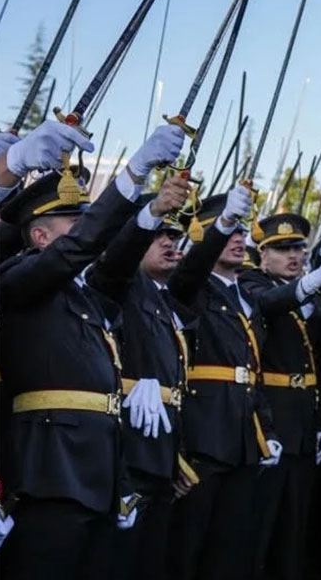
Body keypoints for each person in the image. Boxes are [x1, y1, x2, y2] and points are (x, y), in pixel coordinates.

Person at [0, 121, 183, 578]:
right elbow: (80, 248)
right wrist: (131, 173)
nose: (88, 233)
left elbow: (114, 263)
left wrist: (151, 208)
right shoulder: (19, 278)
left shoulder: (85, 295)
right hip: (50, 471)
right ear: (40, 237)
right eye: (74, 223)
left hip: (98, 471)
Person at [166, 185, 284, 580]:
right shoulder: (190, 288)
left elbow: (253, 371)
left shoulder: (245, 296)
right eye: (227, 232)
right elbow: (187, 272)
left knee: (230, 550)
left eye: (240, 232)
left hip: (242, 437)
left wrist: (265, 430)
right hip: (203, 435)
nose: (239, 239)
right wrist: (223, 222)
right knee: (188, 548)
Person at [242, 213, 321, 580]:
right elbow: (268, 304)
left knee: (294, 527)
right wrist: (311, 282)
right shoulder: (252, 281)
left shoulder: (307, 292)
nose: (294, 256)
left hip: (302, 420)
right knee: (260, 525)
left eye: (299, 248)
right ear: (263, 255)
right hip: (269, 418)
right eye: (282, 249)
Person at [109, 186, 199, 580]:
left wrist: (175, 454)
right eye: (158, 234)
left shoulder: (164, 299)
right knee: (122, 558)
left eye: (174, 236)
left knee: (150, 559)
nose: (169, 242)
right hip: (128, 449)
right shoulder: (124, 285)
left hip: (160, 450)